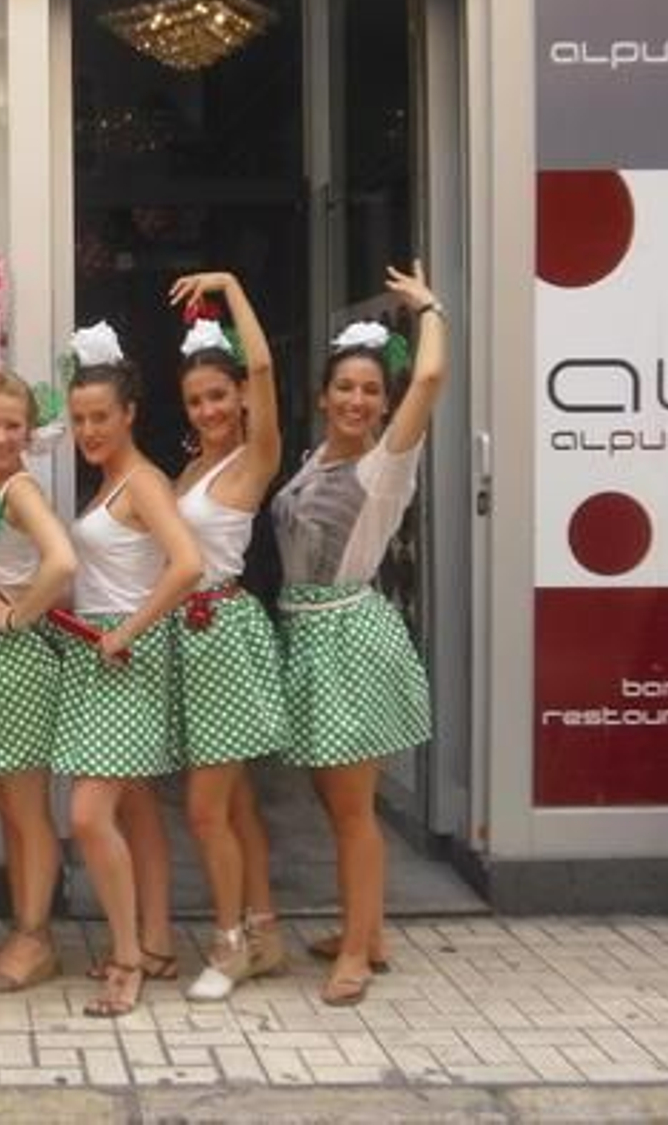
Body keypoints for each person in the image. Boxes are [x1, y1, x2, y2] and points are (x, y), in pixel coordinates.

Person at [272, 262, 448, 1007]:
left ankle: (356, 952)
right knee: (335, 800)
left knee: (351, 811)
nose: (356, 400)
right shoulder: (317, 457)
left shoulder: (385, 466)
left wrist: (429, 307)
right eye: (344, 387)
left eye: (371, 391)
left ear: (384, 402)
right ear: (322, 396)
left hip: (347, 640)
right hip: (310, 638)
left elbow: (430, 378)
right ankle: (366, 931)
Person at [53, 323, 203, 1017]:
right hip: (103, 653)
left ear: (130, 414)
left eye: (100, 418)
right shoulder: (114, 481)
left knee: (89, 815)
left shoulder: (142, 481)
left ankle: (125, 958)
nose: (88, 430)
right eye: (80, 418)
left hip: (127, 660)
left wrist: (127, 631)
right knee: (136, 808)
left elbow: (188, 565)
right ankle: (157, 941)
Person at [165, 273, 291, 1003]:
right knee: (236, 803)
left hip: (225, 633)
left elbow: (264, 364)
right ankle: (265, 933)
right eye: (196, 401)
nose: (210, 410)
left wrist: (232, 286)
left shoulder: (255, 456)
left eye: (219, 395)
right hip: (192, 633)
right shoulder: (193, 467)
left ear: (240, 395)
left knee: (205, 809)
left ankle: (229, 945)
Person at [0, 372, 76, 992]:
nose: (1, 436)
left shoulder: (20, 489)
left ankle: (35, 936)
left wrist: (16, 615)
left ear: (29, 432)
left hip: (17, 658)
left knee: (26, 809)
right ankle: (27, 926)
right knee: (6, 802)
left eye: (12, 426)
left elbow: (62, 560)